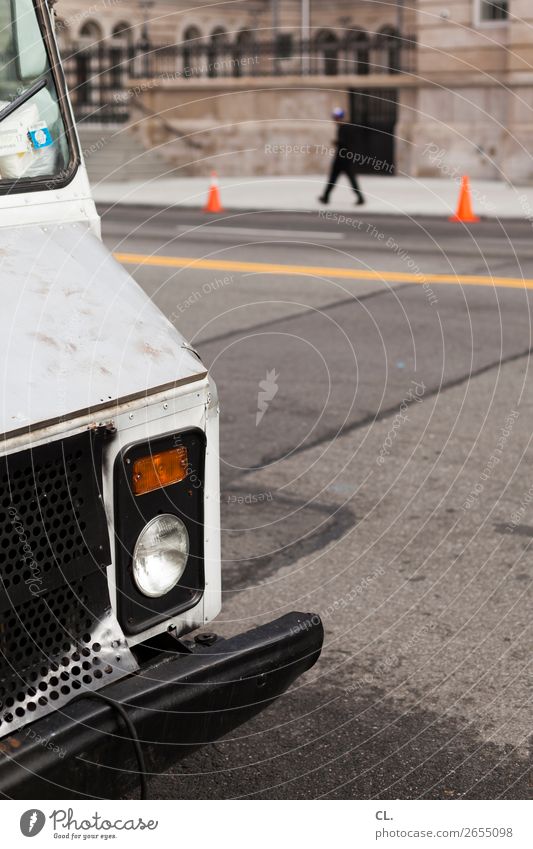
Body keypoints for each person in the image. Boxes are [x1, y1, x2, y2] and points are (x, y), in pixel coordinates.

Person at [319, 107, 365, 206]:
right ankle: (325, 196)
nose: (335, 120)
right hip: (343, 158)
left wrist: (337, 143)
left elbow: (346, 143)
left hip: (343, 159)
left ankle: (360, 198)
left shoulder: (345, 128)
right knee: (334, 178)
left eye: (336, 118)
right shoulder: (344, 127)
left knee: (340, 178)